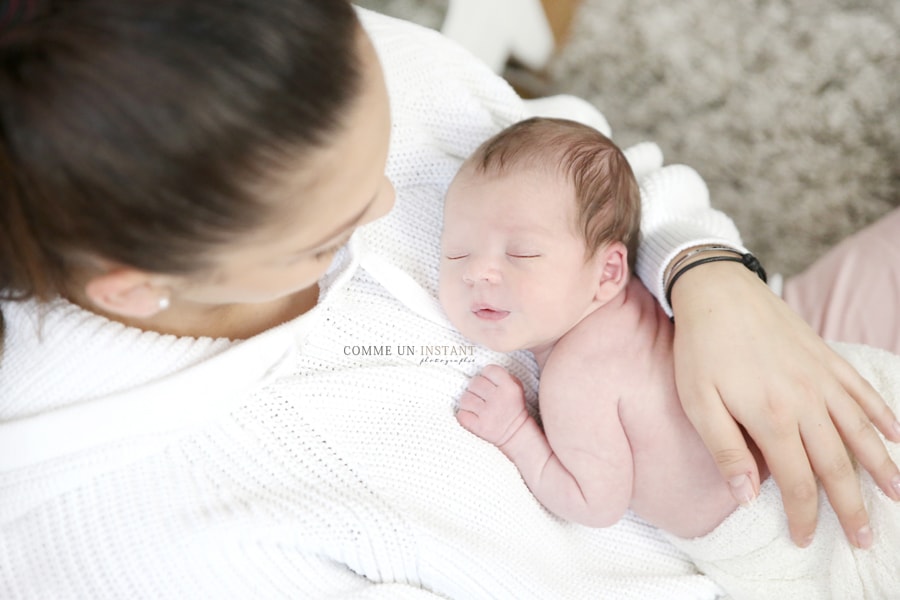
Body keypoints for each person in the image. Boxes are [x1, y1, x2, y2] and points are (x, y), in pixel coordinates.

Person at [0, 1, 898, 597]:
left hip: (798, 363)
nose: (395, 205)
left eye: (384, 147)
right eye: (324, 235)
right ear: (138, 286)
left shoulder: (304, 55)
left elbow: (587, 170)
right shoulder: (149, 544)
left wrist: (709, 275)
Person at [440, 117, 900, 598]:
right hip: (816, 392)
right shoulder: (633, 296)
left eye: (522, 254)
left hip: (774, 519)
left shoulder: (575, 377)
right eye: (457, 253)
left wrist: (515, 432)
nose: (480, 272)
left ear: (608, 271)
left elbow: (594, 503)